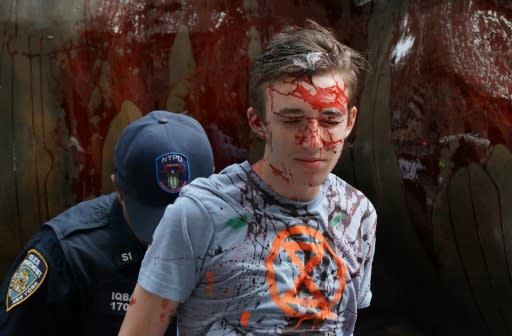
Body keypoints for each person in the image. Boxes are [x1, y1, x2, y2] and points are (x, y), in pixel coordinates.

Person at [119, 19, 377, 336]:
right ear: (258, 122)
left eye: (330, 119)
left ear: (350, 121)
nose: (313, 140)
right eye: (292, 120)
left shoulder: (357, 214)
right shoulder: (199, 215)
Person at [0, 110, 214, 336]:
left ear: (214, 180)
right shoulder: (66, 256)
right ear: (119, 191)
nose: (171, 237)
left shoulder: (237, 233)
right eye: (156, 226)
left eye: (188, 221)